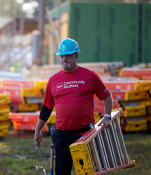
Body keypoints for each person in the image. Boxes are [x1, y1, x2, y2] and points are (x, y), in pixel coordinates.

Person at [34, 38, 113, 175]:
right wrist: (38, 130)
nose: (64, 59)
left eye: (68, 56)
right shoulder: (53, 80)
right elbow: (47, 107)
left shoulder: (90, 76)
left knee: (86, 172)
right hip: (62, 135)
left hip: (85, 134)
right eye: (62, 56)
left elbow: (106, 96)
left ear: (76, 56)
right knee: (62, 171)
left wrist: (107, 116)